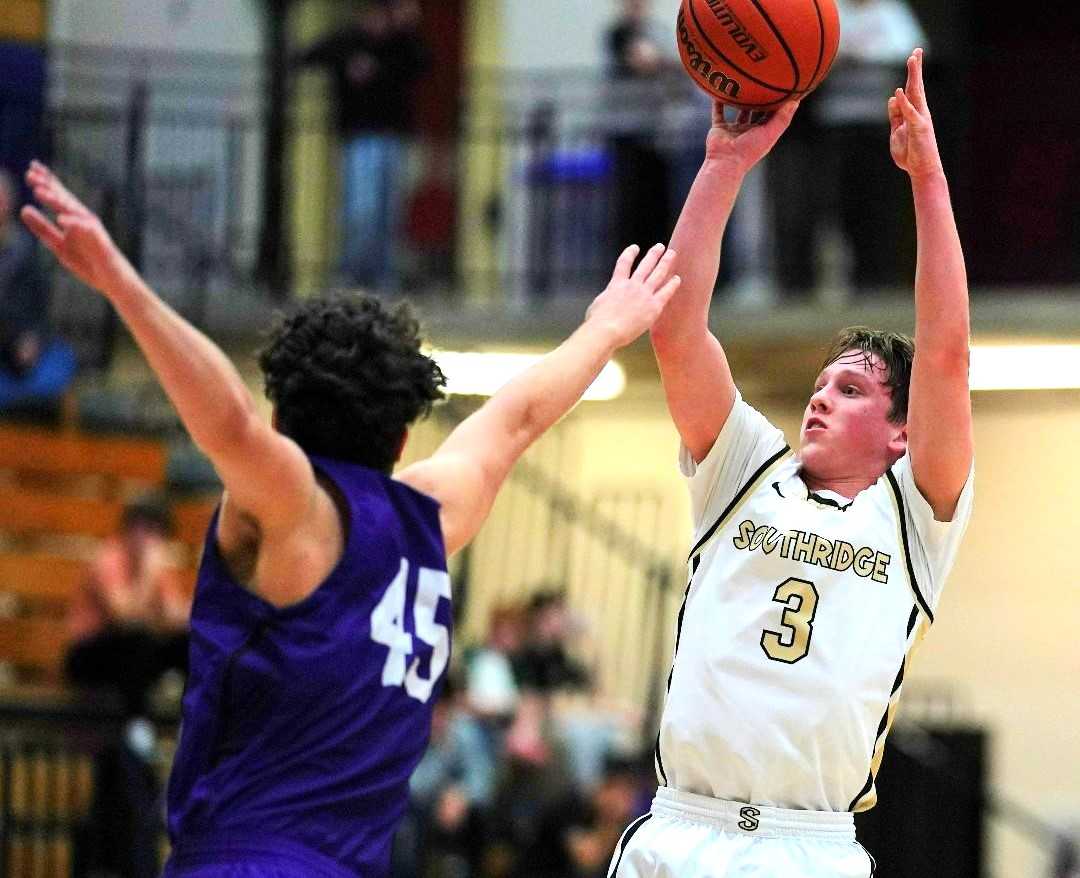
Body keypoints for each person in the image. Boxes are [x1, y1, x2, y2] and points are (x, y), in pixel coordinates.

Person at [21, 159, 681, 878]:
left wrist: (122, 283)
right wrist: (605, 329)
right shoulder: (432, 514)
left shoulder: (294, 511)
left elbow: (231, 427)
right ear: (402, 436)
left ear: (280, 414)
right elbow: (516, 420)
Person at [609, 49, 974, 876]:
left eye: (848, 390)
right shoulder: (743, 467)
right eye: (819, 385)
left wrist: (927, 181)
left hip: (806, 850)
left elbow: (946, 356)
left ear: (901, 433)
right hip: (681, 829)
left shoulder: (914, 517)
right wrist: (722, 165)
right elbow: (677, 330)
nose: (818, 399)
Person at [294, 0, 430, 290]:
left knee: (388, 213)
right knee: (361, 211)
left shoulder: (399, 44)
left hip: (392, 137)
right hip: (359, 138)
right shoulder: (347, 42)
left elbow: (422, 62)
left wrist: (407, 29)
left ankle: (383, 277)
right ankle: (353, 273)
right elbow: (308, 57)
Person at [65, 496, 191, 717]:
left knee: (191, 643)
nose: (153, 539)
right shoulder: (109, 558)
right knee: (137, 639)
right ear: (130, 528)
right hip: (89, 656)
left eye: (158, 532)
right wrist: (148, 573)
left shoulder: (156, 565)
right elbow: (124, 616)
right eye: (147, 529)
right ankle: (137, 730)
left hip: (134, 657)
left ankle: (197, 725)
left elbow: (174, 616)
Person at [0, 168, 76, 419]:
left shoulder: (26, 251)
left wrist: (35, 339)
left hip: (23, 345)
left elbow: (42, 309)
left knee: (59, 364)